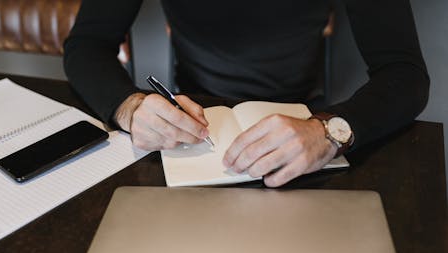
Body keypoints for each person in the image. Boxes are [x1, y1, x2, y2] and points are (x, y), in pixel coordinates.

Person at [63, 0, 429, 187]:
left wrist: (329, 131)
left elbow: (405, 73)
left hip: (304, 118)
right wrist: (130, 106)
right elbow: (86, 45)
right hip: (192, 121)